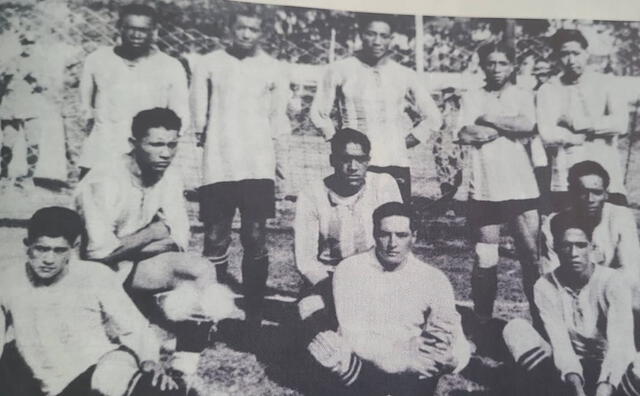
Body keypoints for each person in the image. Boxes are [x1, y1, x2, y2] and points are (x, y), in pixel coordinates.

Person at [76, 108, 235, 329]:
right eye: (156, 145)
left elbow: (179, 239)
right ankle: (134, 317)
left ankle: (189, 347)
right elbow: (97, 253)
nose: (166, 154)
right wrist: (153, 232)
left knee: (201, 269)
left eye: (172, 145)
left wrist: (128, 245)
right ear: (134, 143)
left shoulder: (169, 176)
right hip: (89, 274)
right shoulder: (103, 180)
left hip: (130, 265)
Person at [0, 206, 184, 396]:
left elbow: (135, 328)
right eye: (41, 249)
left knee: (137, 383)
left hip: (102, 367)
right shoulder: (8, 281)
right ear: (27, 245)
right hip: (58, 388)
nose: (49, 259)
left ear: (75, 245)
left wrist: (149, 360)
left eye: (59, 250)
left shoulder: (94, 276)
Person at [190, 6, 291, 339]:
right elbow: (198, 117)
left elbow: (278, 120)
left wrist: (280, 166)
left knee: (255, 236)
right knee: (216, 237)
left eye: (253, 29)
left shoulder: (272, 68)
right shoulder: (209, 64)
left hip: (257, 165)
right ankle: (213, 314)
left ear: (262, 32)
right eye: (241, 28)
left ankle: (254, 314)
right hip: (219, 163)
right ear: (229, 29)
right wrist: (205, 140)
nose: (246, 34)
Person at [298, 202, 470, 395]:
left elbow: (459, 342)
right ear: (374, 234)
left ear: (414, 236)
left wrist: (451, 360)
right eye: (385, 234)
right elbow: (352, 335)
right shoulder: (350, 269)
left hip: (415, 368)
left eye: (401, 235)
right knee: (317, 316)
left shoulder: (433, 279)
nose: (392, 243)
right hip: (367, 365)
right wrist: (402, 356)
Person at [310, 13, 442, 202]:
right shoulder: (340, 69)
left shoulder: (404, 74)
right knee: (354, 221)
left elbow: (434, 117)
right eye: (371, 34)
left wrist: (404, 142)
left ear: (391, 39)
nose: (377, 41)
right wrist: (338, 142)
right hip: (355, 162)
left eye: (383, 36)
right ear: (361, 35)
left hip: (395, 160)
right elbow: (318, 112)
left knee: (395, 220)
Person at [503, 211, 635, 396]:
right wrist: (576, 386)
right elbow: (560, 344)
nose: (574, 253)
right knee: (515, 329)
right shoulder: (544, 286)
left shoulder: (612, 281)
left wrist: (604, 386)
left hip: (613, 368)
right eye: (566, 246)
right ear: (555, 247)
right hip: (570, 367)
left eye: (580, 245)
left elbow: (620, 345)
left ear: (592, 246)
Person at [456, 42, 541, 325]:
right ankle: (483, 322)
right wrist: (504, 127)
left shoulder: (522, 95)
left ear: (512, 66)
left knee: (531, 258)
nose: (496, 69)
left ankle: (542, 322)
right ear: (482, 65)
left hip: (520, 186)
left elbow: (527, 125)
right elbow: (466, 133)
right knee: (485, 257)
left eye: (502, 63)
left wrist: (489, 119)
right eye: (490, 63)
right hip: (485, 187)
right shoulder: (471, 97)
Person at [78, 4, 189, 175]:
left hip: (145, 157)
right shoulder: (97, 59)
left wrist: (158, 149)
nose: (136, 35)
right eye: (130, 28)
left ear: (154, 31)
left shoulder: (170, 66)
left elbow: (180, 115)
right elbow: (85, 107)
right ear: (119, 28)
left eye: (143, 30)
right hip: (102, 152)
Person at [294, 128, 401, 286]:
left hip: (379, 277)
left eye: (360, 159)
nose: (353, 167)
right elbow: (306, 261)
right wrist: (337, 292)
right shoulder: (311, 194)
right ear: (332, 160)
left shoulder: (384, 185)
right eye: (345, 159)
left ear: (368, 161)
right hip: (330, 279)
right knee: (309, 309)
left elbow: (399, 243)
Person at [536, 29, 629, 211]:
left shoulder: (606, 83)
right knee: (569, 228)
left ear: (586, 53)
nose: (571, 60)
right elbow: (547, 133)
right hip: (566, 169)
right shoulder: (548, 89)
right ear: (557, 57)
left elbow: (620, 123)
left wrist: (576, 123)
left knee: (610, 224)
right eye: (564, 54)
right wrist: (577, 137)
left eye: (576, 53)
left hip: (604, 165)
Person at [540, 161, 640, 278]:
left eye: (597, 193)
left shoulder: (620, 217)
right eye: (582, 192)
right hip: (569, 290)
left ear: (606, 194)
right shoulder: (554, 222)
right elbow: (550, 274)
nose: (590, 199)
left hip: (610, 288)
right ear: (570, 192)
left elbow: (631, 271)